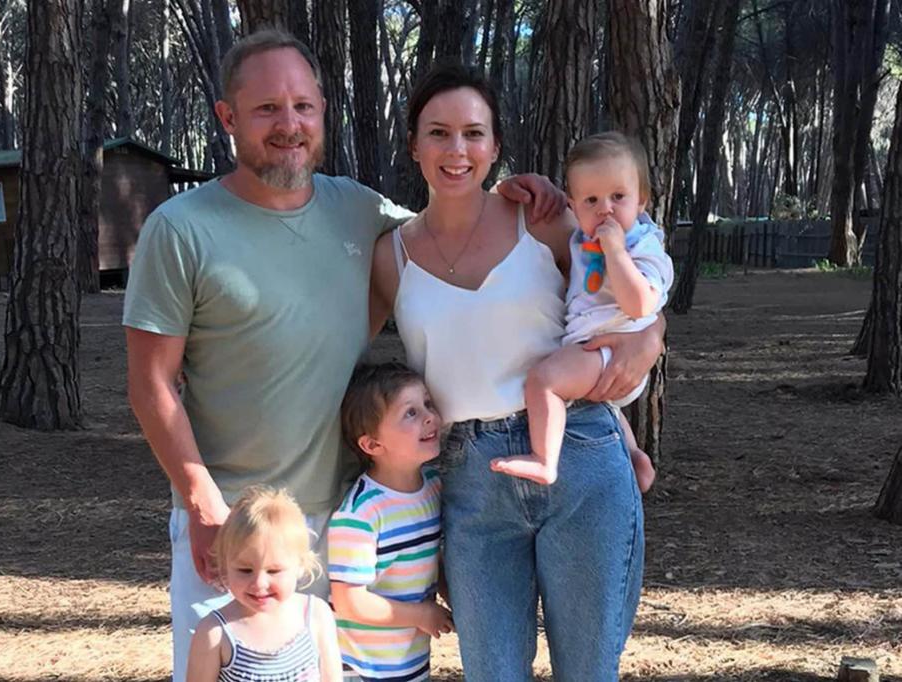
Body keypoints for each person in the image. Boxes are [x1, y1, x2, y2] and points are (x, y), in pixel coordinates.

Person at [122, 28, 563, 682]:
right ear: (227, 117)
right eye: (267, 107)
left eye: (303, 106)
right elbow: (150, 384)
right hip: (236, 530)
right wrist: (202, 504)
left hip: (353, 525)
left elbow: (449, 224)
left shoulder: (358, 210)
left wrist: (515, 195)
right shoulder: (181, 229)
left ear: (322, 112)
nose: (289, 124)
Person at [368, 63, 665, 681]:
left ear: (495, 146)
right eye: (439, 133)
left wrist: (653, 337)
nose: (457, 150)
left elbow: (622, 299)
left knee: (587, 671)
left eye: (474, 134)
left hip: (580, 451)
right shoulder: (390, 255)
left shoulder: (544, 220)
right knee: (492, 671)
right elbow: (338, 351)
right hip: (472, 475)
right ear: (414, 146)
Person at [490, 132, 674, 489]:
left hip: (610, 350)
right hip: (595, 351)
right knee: (604, 407)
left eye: (618, 197)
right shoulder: (580, 238)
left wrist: (616, 252)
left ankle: (545, 460)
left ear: (642, 201)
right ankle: (635, 456)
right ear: (574, 206)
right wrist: (508, 188)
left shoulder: (644, 247)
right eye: (591, 200)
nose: (605, 208)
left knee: (544, 381)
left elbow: (640, 304)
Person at [328, 363, 453, 682]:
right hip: (358, 669)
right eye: (409, 413)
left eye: (427, 403)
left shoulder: (433, 486)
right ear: (372, 445)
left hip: (409, 663)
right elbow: (349, 602)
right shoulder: (361, 513)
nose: (429, 416)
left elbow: (429, 560)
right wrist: (422, 614)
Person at [186, 487, 342, 682]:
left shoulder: (316, 615)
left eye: (274, 571)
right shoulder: (215, 632)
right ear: (225, 566)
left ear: (301, 565)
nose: (259, 583)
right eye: (245, 570)